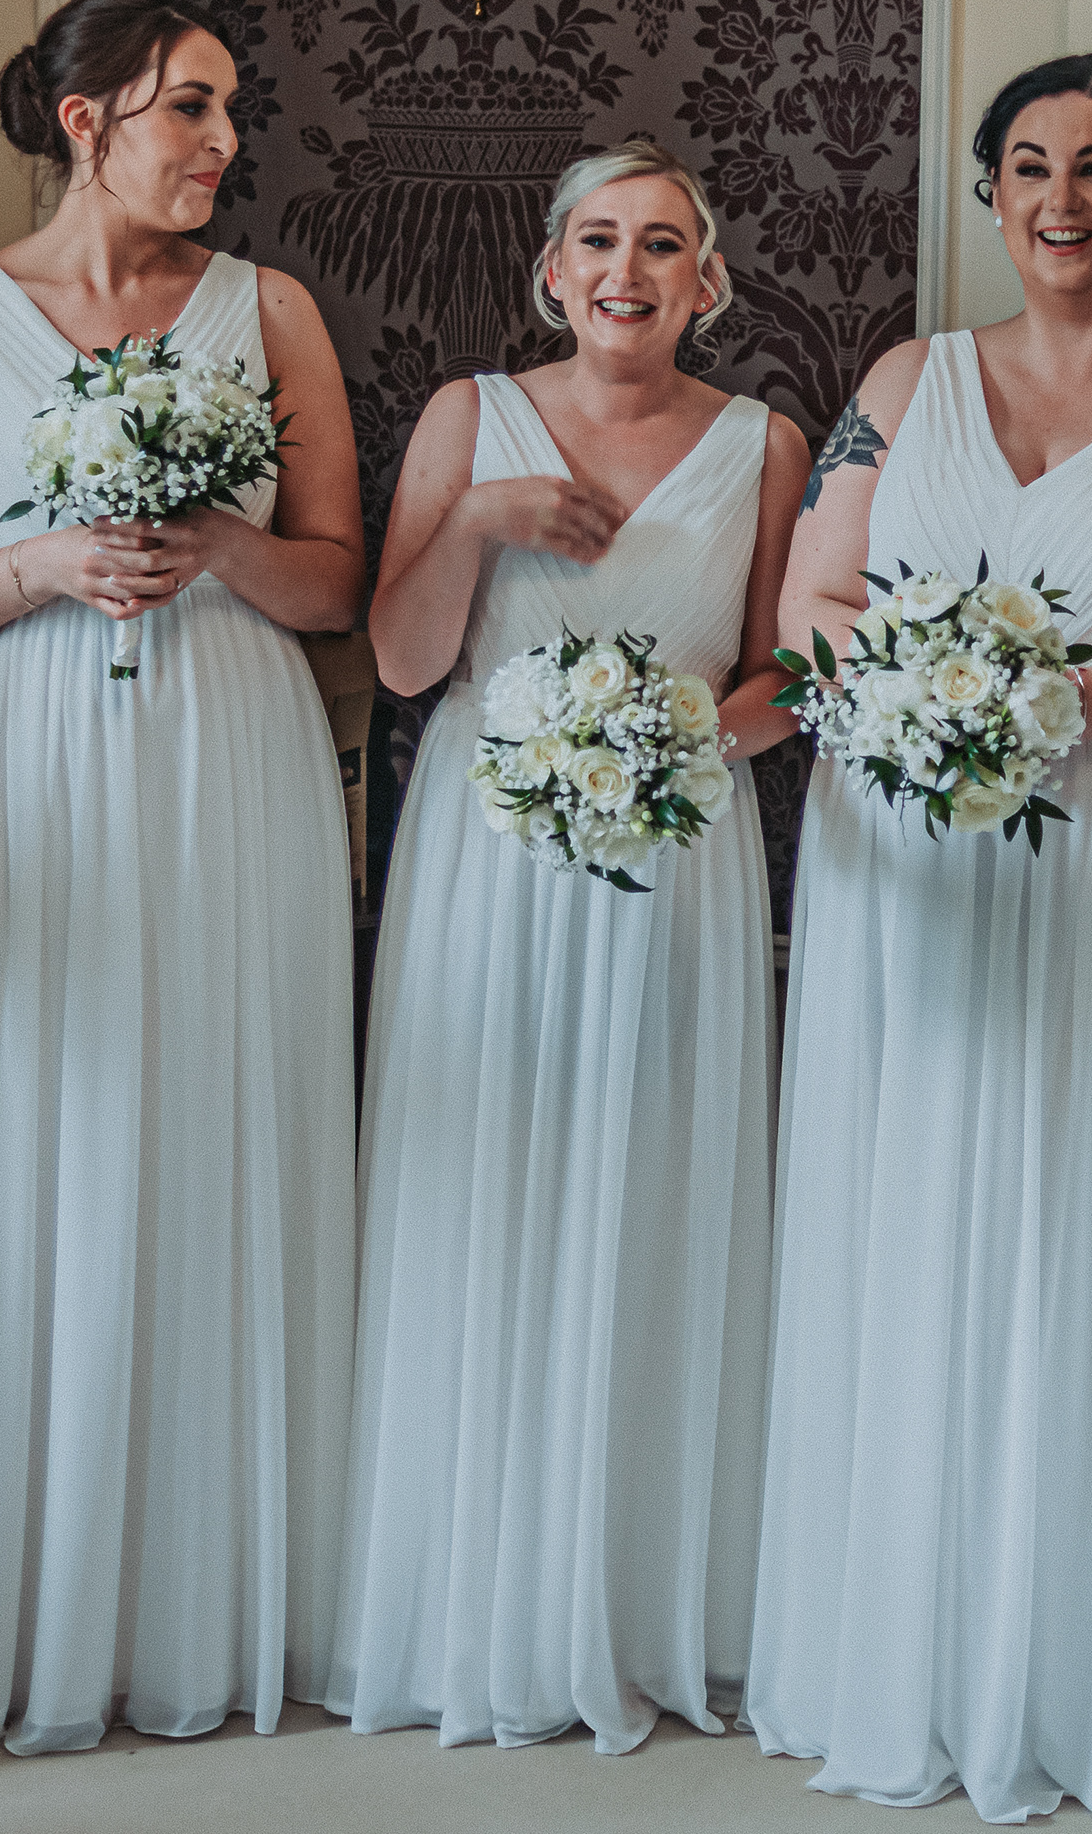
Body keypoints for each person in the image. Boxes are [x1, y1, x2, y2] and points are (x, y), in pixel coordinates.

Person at [747, 51, 1092, 1821]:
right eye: (1031, 164)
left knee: (1081, 1227)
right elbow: (816, 604)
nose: (1063, 198)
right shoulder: (906, 384)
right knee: (902, 1217)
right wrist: (920, 694)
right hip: (903, 865)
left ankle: (1068, 1670)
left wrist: (1034, 691)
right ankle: (892, 1648)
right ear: (990, 192)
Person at [0, 0, 367, 1751]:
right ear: (87, 122)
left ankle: (211, 1587)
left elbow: (338, 580)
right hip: (19, 763)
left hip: (229, 758)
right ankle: (9, 1588)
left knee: (213, 1121)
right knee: (24, 1133)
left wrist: (217, 543)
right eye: (190, 107)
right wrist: (42, 568)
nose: (224, 142)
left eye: (228, 109)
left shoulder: (268, 312)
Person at [331, 141, 810, 1755]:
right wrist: (479, 522)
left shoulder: (763, 445)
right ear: (552, 272)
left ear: (707, 280)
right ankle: (463, 1596)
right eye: (599, 241)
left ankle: (638, 1596)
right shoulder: (471, 420)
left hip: (677, 850)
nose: (628, 270)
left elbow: (785, 675)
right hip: (489, 854)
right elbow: (405, 664)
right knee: (483, 1192)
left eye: (663, 245)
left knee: (652, 1188)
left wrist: (680, 744)